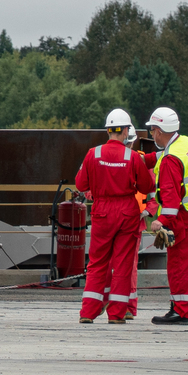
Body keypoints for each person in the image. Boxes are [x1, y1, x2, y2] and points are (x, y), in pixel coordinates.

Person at [74, 108, 156, 325]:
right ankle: (117, 314)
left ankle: (88, 312)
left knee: (97, 263)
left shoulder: (93, 154)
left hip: (101, 211)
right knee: (122, 265)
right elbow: (148, 186)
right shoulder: (132, 157)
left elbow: (81, 184)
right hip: (126, 212)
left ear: (109, 130)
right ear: (126, 131)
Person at [145, 106, 188, 326]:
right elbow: (162, 155)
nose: (151, 134)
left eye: (152, 130)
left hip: (185, 218)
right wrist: (141, 159)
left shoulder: (170, 162)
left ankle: (181, 312)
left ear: (159, 130)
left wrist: (159, 222)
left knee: (180, 265)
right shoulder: (187, 143)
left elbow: (171, 204)